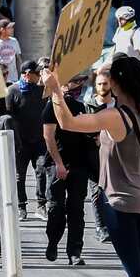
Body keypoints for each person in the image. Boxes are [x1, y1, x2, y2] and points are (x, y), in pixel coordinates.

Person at [43, 54, 140, 277]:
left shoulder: (115, 116)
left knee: (134, 268)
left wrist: (56, 90)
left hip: (119, 200)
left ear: (119, 82)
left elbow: (68, 122)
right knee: (138, 265)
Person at [43, 73, 93, 265]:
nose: (78, 86)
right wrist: (59, 164)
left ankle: (74, 252)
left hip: (79, 165)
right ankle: (53, 242)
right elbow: (48, 137)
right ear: (62, 86)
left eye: (81, 82)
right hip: (57, 165)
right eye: (74, 81)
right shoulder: (51, 106)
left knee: (76, 210)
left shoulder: (80, 107)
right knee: (56, 208)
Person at [7, 61, 49, 219]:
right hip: (20, 142)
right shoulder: (12, 91)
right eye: (36, 73)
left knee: (41, 171)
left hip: (39, 140)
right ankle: (21, 206)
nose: (39, 76)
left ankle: (41, 204)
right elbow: (7, 117)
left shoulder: (42, 90)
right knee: (20, 175)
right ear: (26, 74)